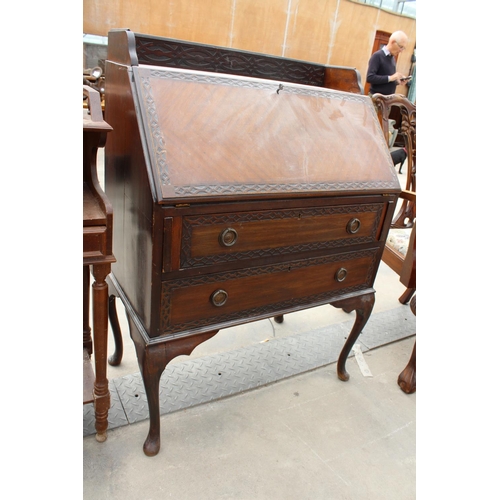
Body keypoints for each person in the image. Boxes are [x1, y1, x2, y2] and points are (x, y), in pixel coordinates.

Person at [366, 31, 409, 96]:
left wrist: (397, 81)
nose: (401, 51)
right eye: (401, 47)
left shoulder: (392, 58)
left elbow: (386, 80)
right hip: (376, 99)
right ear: (393, 42)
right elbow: (370, 78)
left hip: (387, 100)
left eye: (403, 48)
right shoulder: (377, 56)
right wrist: (392, 77)